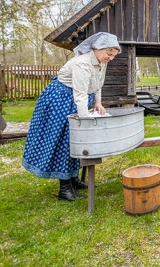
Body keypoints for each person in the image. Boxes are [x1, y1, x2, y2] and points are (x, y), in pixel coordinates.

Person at [22, 32, 121, 202]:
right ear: (97, 49)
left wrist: (98, 102)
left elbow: (98, 84)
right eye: (108, 54)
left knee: (77, 141)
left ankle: (73, 179)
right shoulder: (82, 64)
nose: (110, 58)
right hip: (61, 100)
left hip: (77, 99)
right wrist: (85, 121)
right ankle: (64, 189)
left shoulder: (101, 62)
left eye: (113, 55)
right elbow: (80, 94)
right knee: (65, 141)